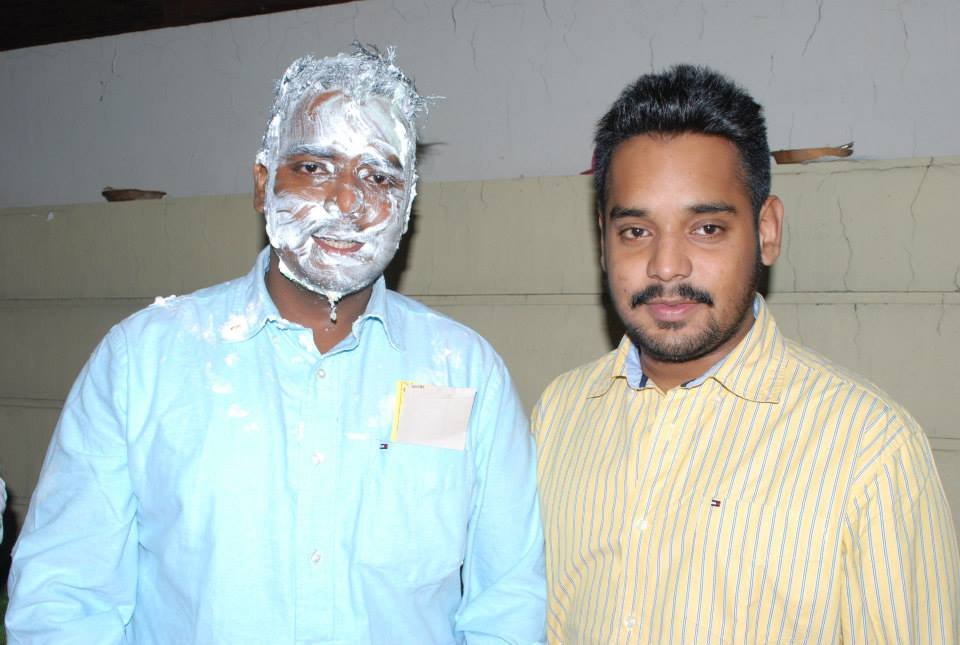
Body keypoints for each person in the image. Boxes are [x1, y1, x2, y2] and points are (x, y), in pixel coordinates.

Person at [6, 45, 545, 644]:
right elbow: (65, 600)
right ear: (263, 184)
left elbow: (507, 604)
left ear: (408, 204)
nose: (347, 202)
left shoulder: (464, 373)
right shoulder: (142, 361)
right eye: (314, 167)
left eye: (378, 176)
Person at [532, 64, 959, 644]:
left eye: (706, 228)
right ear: (602, 240)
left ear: (767, 231)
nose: (666, 266)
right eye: (635, 231)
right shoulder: (558, 415)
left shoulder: (871, 448)